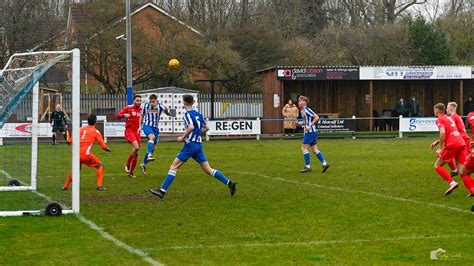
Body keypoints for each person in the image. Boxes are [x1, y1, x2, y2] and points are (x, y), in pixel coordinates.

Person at [149, 94, 237, 198]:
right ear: (193, 103)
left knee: (173, 167)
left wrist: (183, 137)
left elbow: (190, 127)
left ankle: (162, 191)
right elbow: (206, 128)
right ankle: (230, 184)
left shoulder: (187, 115)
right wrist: (197, 134)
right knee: (208, 169)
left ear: (184, 103)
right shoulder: (198, 114)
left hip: (190, 146)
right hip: (198, 145)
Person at [430, 103, 471, 195]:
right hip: (461, 142)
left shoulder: (439, 119)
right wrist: (437, 142)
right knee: (462, 171)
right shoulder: (449, 118)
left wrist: (441, 147)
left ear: (436, 111)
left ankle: (452, 183)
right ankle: (472, 190)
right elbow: (451, 131)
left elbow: (443, 132)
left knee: (437, 166)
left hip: (453, 144)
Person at [62, 114, 111, 191]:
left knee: (75, 170)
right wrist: (108, 149)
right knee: (100, 165)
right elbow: (103, 146)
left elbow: (69, 141)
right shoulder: (96, 132)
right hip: (85, 155)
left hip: (76, 154)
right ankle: (99, 186)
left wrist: (67, 137)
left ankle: (65, 186)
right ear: (95, 122)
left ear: (87, 121)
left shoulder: (80, 129)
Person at [138, 94, 170, 175]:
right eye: (150, 101)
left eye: (153, 102)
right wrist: (139, 126)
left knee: (153, 146)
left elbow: (168, 113)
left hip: (155, 128)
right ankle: (149, 155)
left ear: (156, 100)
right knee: (151, 138)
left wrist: (166, 110)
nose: (152, 103)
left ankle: (143, 164)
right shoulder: (145, 106)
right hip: (147, 125)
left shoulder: (160, 106)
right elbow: (141, 116)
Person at [297, 95, 329, 173]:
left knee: (304, 148)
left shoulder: (307, 109)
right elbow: (305, 122)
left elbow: (317, 117)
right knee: (315, 150)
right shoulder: (302, 111)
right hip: (311, 132)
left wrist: (309, 126)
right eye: (299, 101)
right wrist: (299, 123)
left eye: (300, 101)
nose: (299, 102)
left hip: (310, 132)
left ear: (304, 102)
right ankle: (325, 164)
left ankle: (308, 167)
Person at [117, 95, 142, 178]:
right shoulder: (129, 108)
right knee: (136, 148)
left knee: (136, 153)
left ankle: (131, 173)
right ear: (134, 101)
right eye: (137, 100)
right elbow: (118, 115)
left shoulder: (141, 110)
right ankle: (127, 164)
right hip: (129, 131)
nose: (139, 102)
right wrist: (124, 115)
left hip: (137, 132)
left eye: (140, 101)